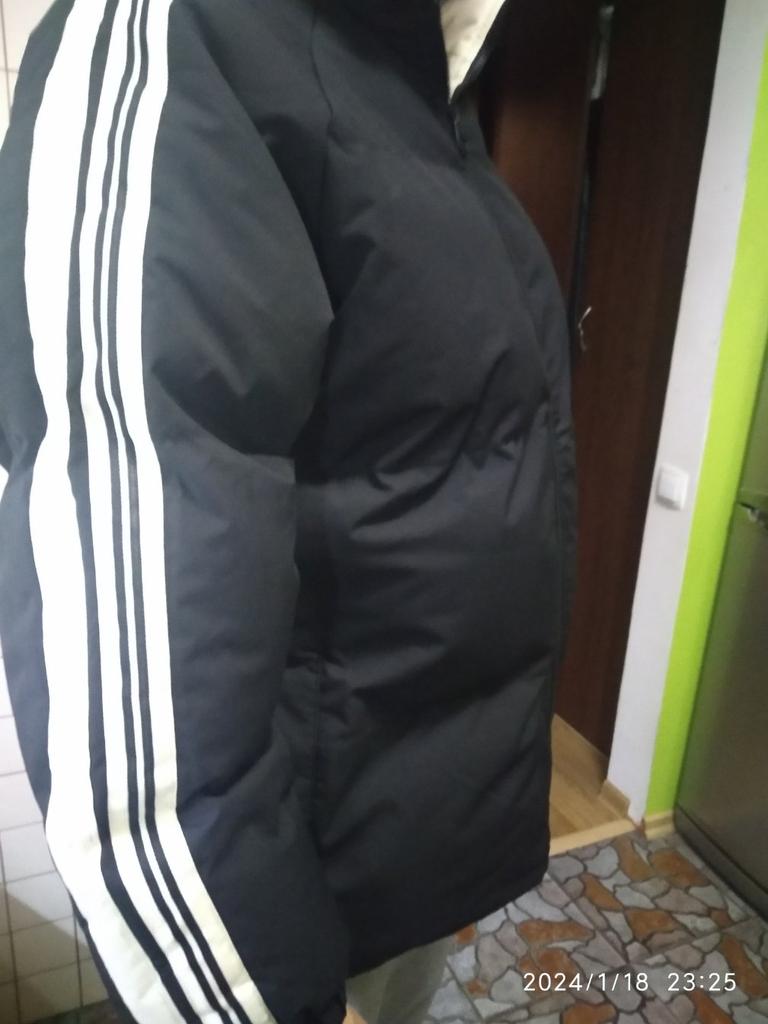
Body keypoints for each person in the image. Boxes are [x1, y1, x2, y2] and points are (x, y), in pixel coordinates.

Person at [0, 0, 578, 1021]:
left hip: (399, 854)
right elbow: (134, 711)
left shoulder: (411, 81)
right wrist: (262, 996)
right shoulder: (175, 38)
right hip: (285, 908)